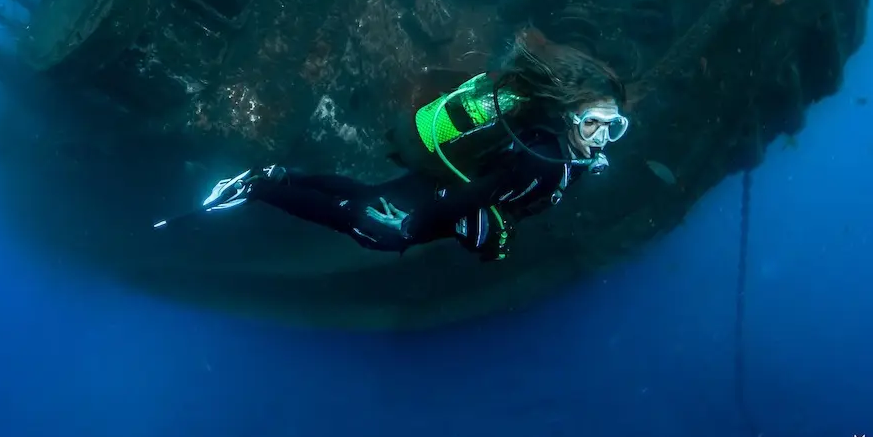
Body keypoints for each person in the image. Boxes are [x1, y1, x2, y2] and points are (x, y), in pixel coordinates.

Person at [194, 30, 629, 262]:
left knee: (366, 196)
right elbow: (476, 196)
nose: (601, 138)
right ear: (568, 118)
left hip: (444, 182)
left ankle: (281, 177)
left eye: (613, 127)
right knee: (368, 229)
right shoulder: (544, 161)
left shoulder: (566, 151)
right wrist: (411, 227)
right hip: (440, 198)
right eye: (592, 125)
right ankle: (258, 188)